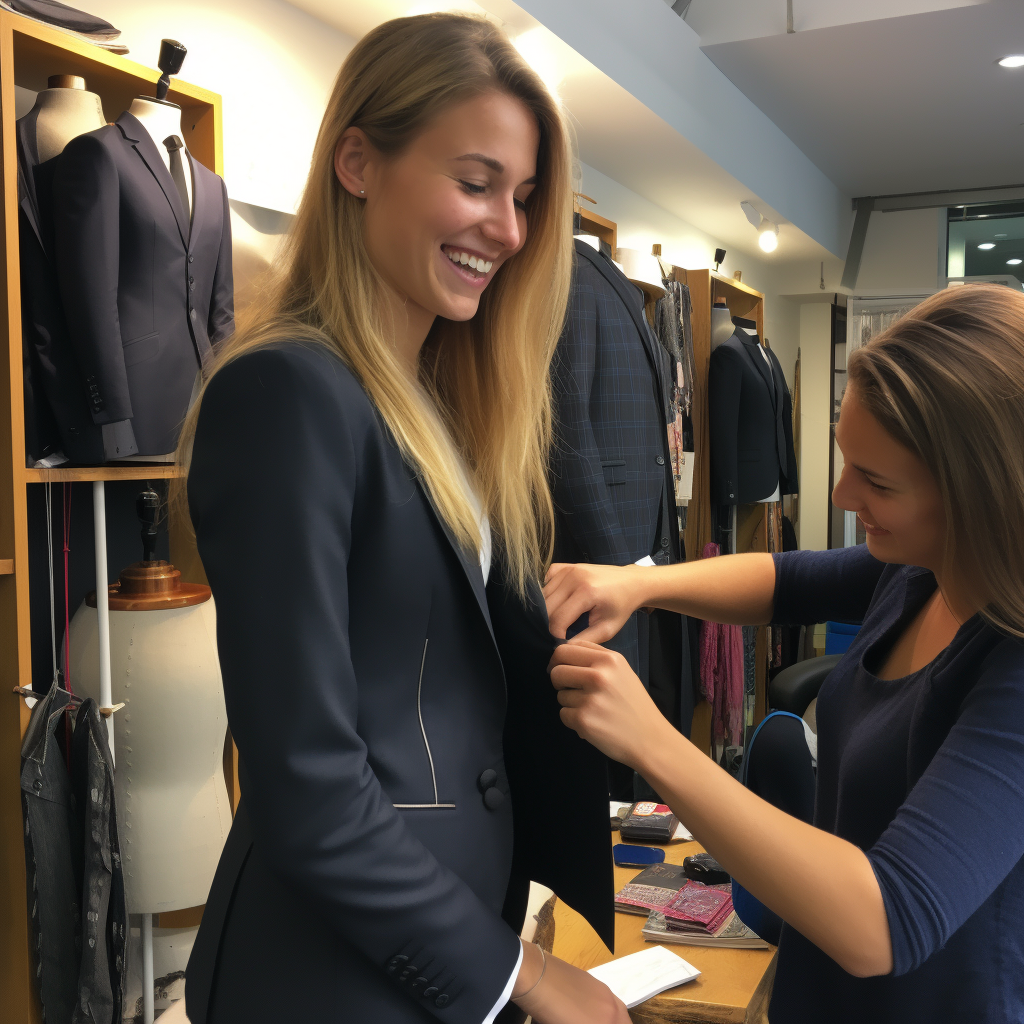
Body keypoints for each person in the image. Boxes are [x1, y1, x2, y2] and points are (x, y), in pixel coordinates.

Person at [175, 15, 627, 1024]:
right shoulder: (287, 392)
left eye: (520, 198)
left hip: (435, 940)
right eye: (476, 183)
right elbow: (307, 783)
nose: (508, 230)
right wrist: (520, 974)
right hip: (326, 974)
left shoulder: (438, 407)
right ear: (357, 162)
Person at [544, 284, 1024, 1023]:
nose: (841, 491)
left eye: (877, 481)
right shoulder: (922, 570)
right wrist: (638, 585)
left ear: (982, 493)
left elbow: (886, 920)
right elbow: (785, 582)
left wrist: (654, 741)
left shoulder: (1010, 662)